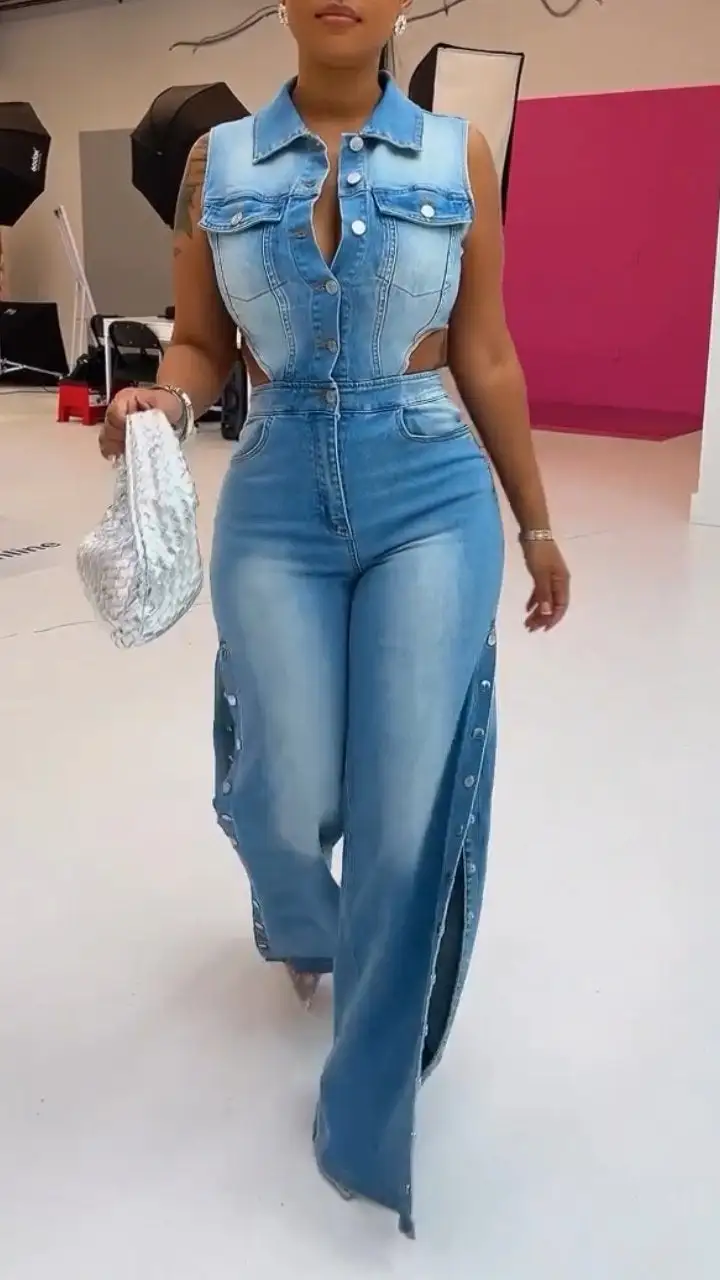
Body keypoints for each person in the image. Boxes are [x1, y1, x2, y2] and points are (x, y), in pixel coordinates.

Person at [100, 0, 569, 1238]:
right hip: (276, 497)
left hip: (431, 493)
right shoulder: (217, 164)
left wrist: (536, 523)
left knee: (402, 811)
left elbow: (487, 352)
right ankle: (300, 920)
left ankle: (363, 1117)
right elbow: (203, 344)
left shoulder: (458, 154)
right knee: (282, 788)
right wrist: (161, 398)